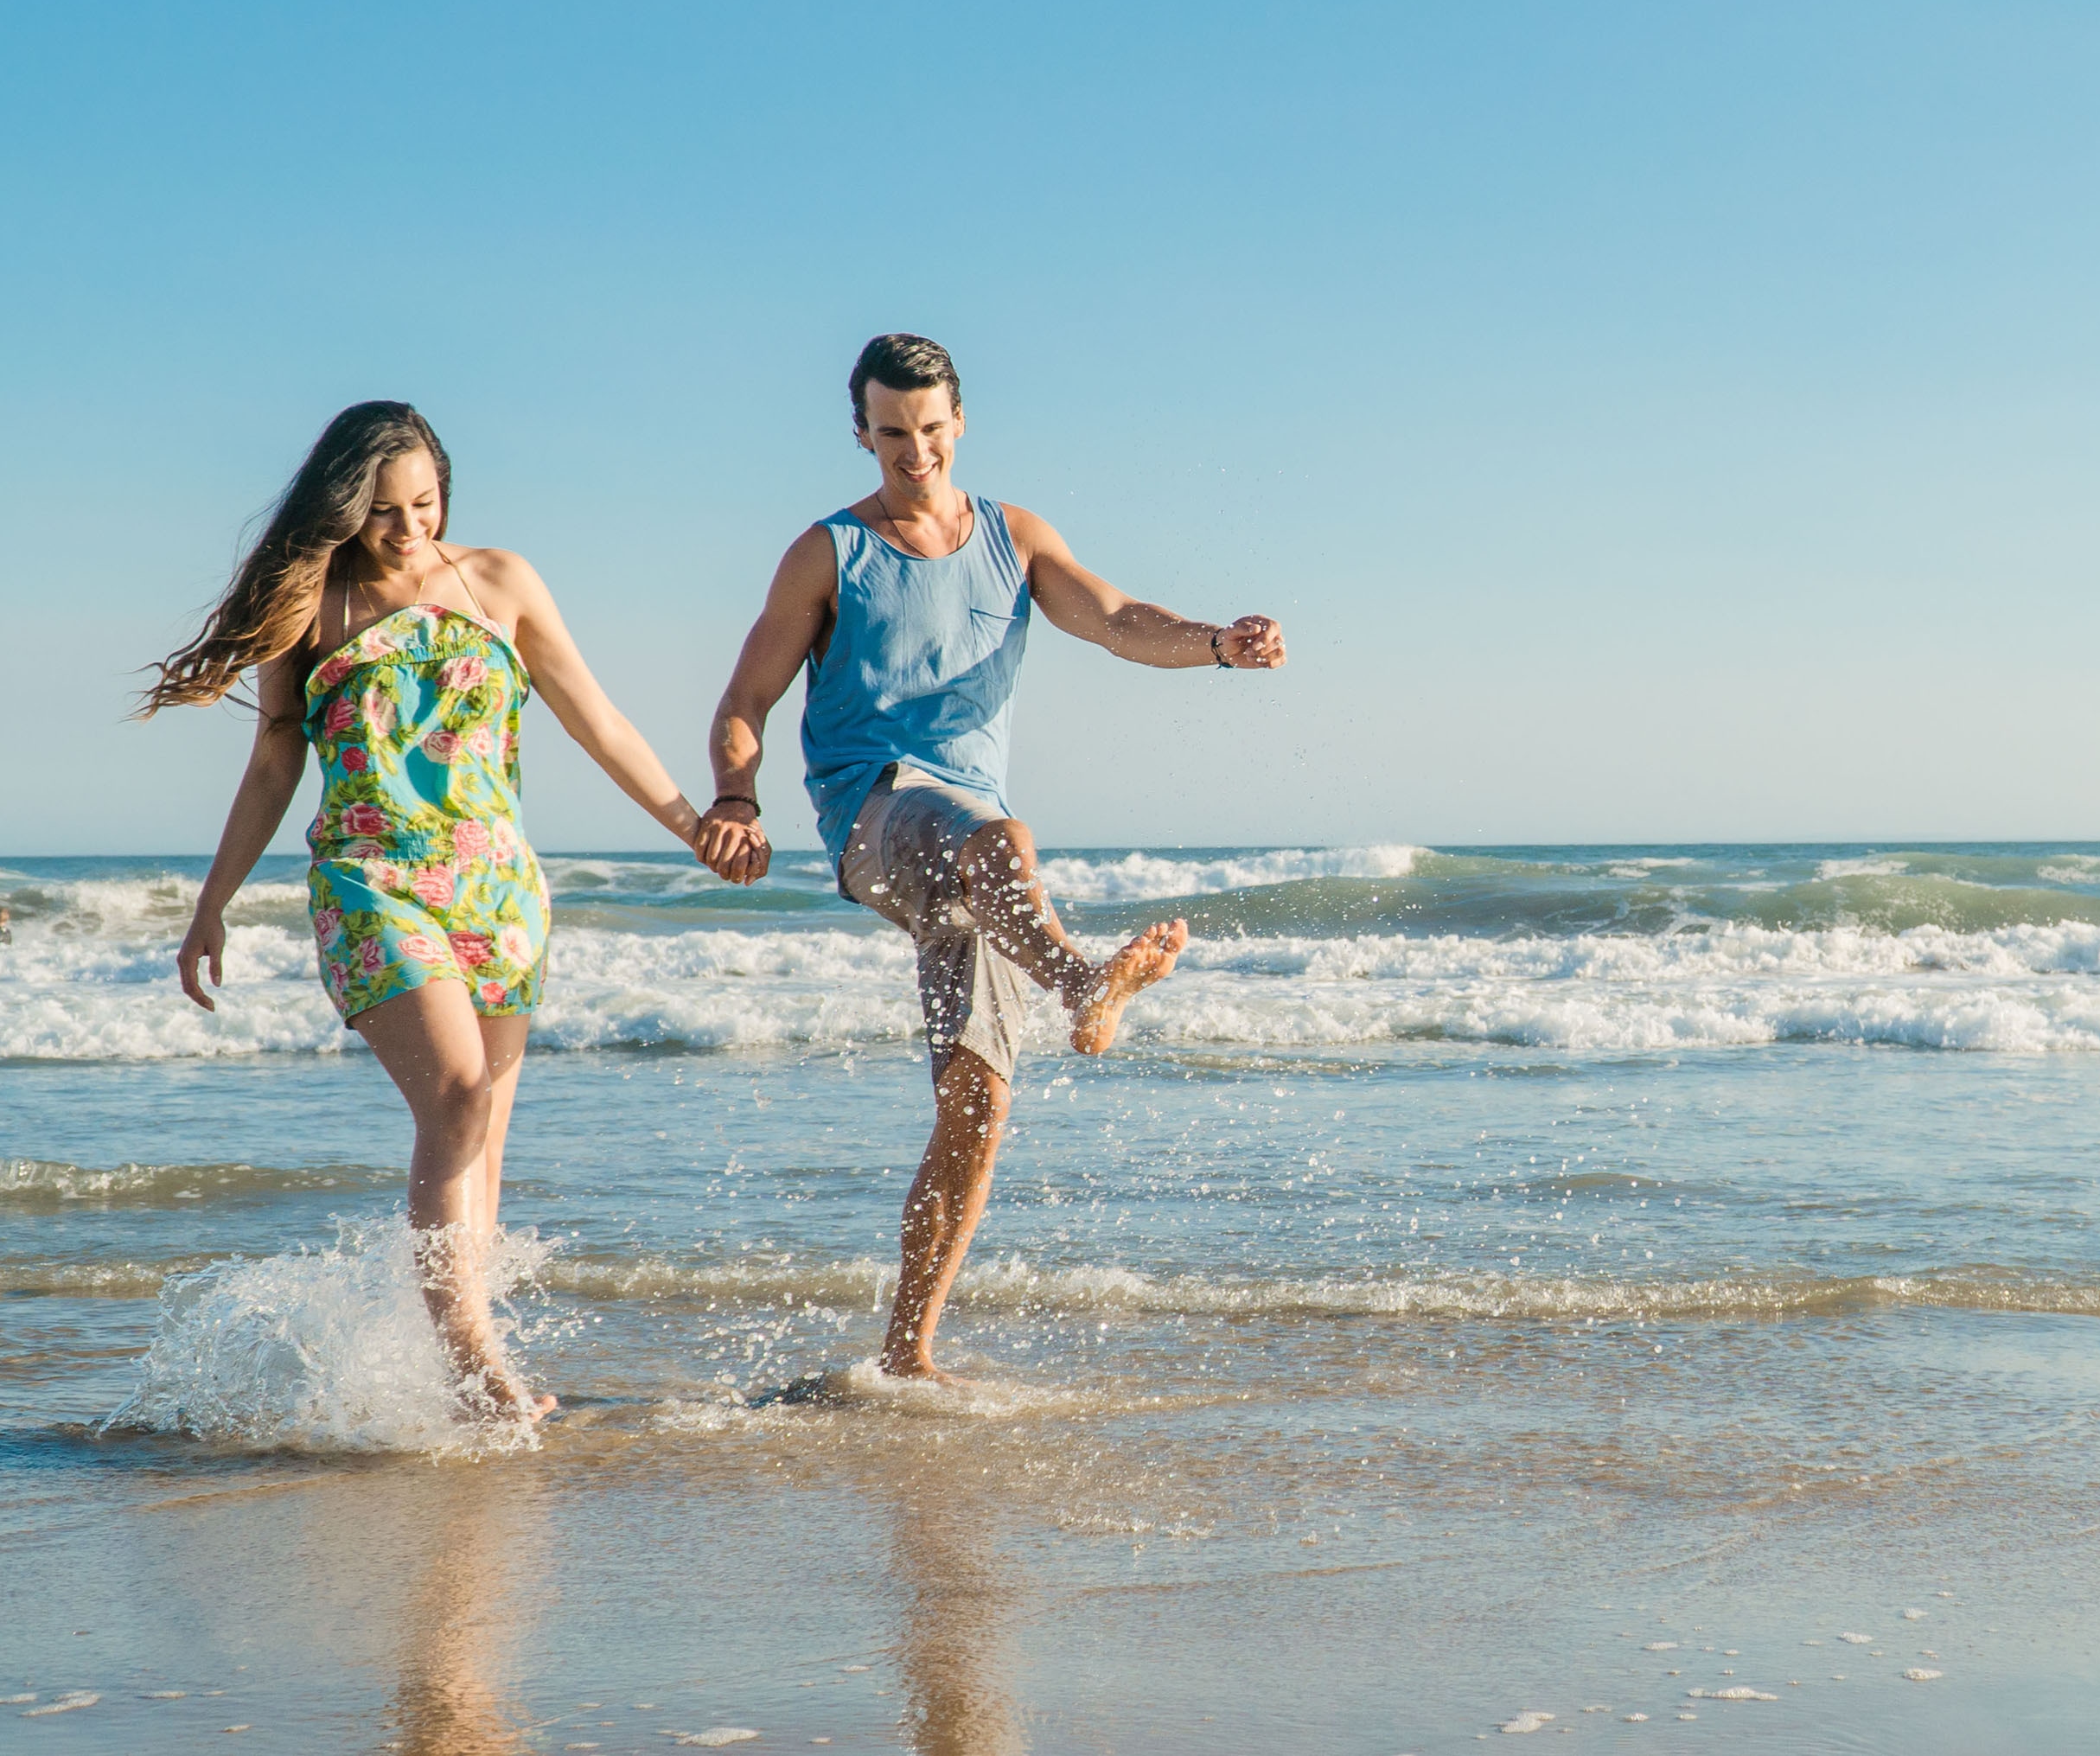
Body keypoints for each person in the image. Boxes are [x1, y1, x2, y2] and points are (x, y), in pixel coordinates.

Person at [694, 333, 1286, 1382]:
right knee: (999, 839)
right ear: (861, 434)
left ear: (958, 424)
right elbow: (745, 701)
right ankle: (1086, 980)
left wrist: (1215, 643)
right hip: (874, 817)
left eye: (929, 431)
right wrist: (736, 796)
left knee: (978, 1102)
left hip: (980, 870)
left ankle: (906, 1355)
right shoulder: (828, 552)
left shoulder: (1012, 536)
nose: (913, 454)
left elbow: (1112, 619)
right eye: (890, 435)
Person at [149, 401, 713, 1423]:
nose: (407, 529)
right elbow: (276, 755)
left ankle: (463, 1360)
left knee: (485, 1134)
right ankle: (473, 1368)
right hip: (372, 882)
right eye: (383, 511)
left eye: (425, 504)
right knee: (455, 1097)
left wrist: (695, 825)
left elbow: (603, 720)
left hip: (498, 891)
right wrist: (211, 906)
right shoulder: (310, 603)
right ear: (344, 507)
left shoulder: (501, 581)